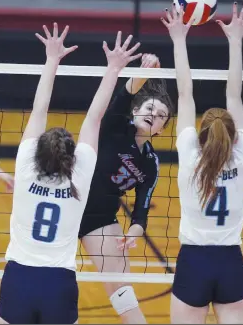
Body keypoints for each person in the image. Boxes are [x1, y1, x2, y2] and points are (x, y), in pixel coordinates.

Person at [0, 24, 142, 325]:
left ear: (38, 151)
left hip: (18, 280)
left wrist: (52, 59)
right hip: (59, 284)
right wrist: (114, 67)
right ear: (71, 156)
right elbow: (94, 117)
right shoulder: (81, 173)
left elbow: (39, 109)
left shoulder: (24, 163)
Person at [161, 2, 243, 324]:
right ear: (233, 136)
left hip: (194, 262)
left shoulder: (189, 153)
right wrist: (236, 39)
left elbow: (184, 94)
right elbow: (235, 96)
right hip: (230, 261)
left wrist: (178, 38)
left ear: (201, 132)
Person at [78, 52, 174, 323]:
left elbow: (141, 212)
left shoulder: (151, 164)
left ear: (162, 129)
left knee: (122, 288)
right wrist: (146, 70)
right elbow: (123, 95)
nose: (153, 115)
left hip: (99, 218)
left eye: (161, 116)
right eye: (149, 110)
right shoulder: (115, 126)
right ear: (135, 112)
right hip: (68, 202)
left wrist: (133, 232)